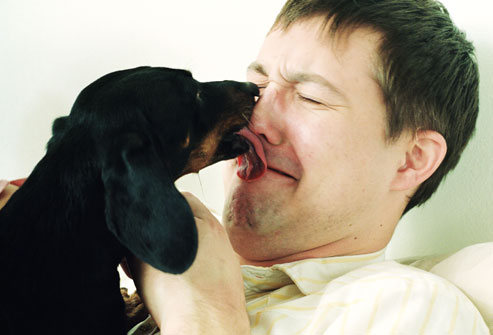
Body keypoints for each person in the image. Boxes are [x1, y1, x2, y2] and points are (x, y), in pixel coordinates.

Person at [1, 0, 488, 333]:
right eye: (257, 83)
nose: (255, 117)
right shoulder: (126, 285)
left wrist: (205, 312)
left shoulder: (408, 309)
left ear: (412, 159)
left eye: (311, 96)